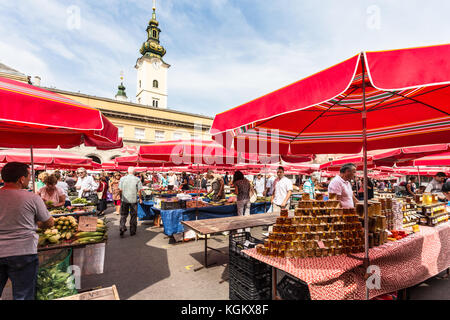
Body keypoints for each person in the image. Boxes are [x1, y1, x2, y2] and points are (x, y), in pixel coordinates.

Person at [0, 162, 54, 300]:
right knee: (23, 295)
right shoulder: (32, 198)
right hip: (23, 252)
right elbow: (49, 222)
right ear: (21, 179)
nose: (30, 178)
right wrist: (36, 223)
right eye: (29, 175)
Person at [118, 167, 143, 237]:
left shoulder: (122, 179)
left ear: (128, 171)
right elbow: (139, 191)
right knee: (133, 215)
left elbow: (120, 189)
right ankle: (132, 231)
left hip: (124, 199)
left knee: (123, 215)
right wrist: (140, 198)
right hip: (133, 200)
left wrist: (121, 197)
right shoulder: (137, 179)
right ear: (134, 172)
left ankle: (122, 227)